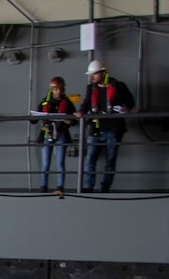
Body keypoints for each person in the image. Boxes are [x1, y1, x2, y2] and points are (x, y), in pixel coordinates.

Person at [78, 58, 134, 193]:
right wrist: (81, 111)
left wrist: (126, 108)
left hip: (113, 129)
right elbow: (86, 103)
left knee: (110, 160)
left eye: (95, 74)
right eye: (91, 74)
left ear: (103, 73)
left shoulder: (119, 86)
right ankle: (89, 186)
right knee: (90, 159)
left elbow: (130, 101)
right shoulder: (91, 89)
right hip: (96, 128)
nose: (92, 77)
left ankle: (105, 187)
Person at [34, 76, 78, 193]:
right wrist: (35, 116)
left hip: (61, 133)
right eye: (56, 89)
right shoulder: (45, 102)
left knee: (60, 163)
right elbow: (34, 118)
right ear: (52, 90)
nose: (58, 91)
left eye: (60, 89)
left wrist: (68, 120)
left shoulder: (67, 103)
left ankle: (60, 187)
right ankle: (43, 186)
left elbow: (74, 120)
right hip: (47, 133)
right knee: (46, 163)